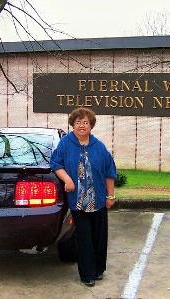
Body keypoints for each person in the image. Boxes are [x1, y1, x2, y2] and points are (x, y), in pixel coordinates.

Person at [50, 107, 117, 287]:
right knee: (84, 237)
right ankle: (87, 274)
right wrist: (67, 179)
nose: (81, 125)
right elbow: (56, 164)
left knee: (99, 237)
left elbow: (109, 172)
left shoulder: (99, 146)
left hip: (99, 200)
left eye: (85, 122)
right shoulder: (65, 144)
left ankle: (98, 270)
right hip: (78, 202)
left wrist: (110, 195)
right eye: (78, 122)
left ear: (91, 125)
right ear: (73, 124)